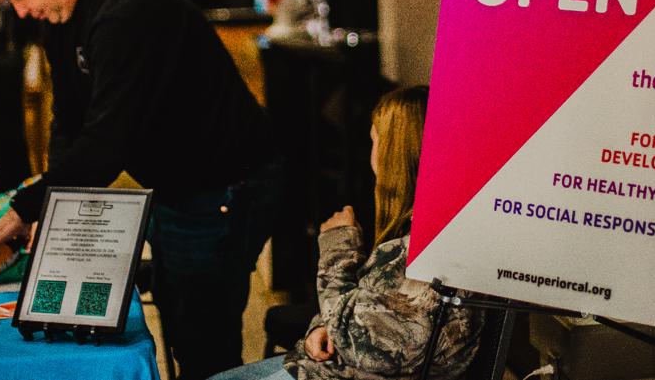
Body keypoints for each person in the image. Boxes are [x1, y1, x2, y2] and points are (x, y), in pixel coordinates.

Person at [0, 0, 279, 379]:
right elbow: (69, 120)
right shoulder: (59, 13)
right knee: (179, 329)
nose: (19, 10)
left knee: (204, 346)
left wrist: (30, 207)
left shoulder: (124, 8)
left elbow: (106, 143)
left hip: (225, 184)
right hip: (176, 184)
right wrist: (51, 211)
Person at [208, 86, 485, 380]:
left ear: (395, 153)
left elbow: (360, 342)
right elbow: (362, 313)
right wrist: (321, 327)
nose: (372, 155)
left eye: (374, 141)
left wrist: (338, 246)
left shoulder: (426, 251)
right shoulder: (420, 232)